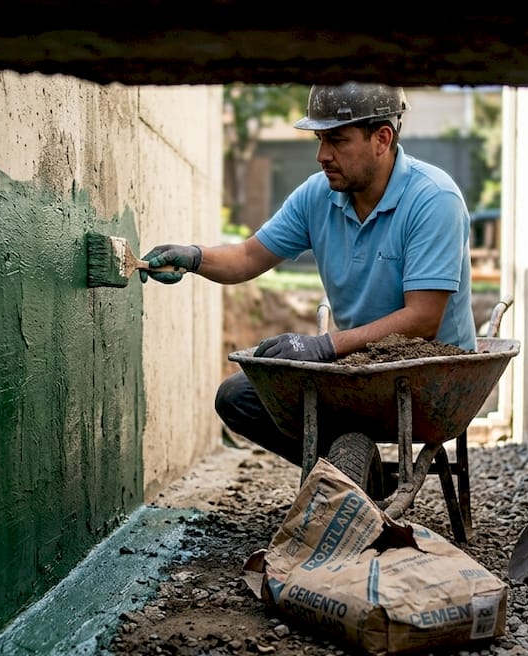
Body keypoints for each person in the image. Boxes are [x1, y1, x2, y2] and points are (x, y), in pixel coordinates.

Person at [141, 81, 475, 466]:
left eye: (337, 140)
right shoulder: (318, 196)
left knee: (323, 384)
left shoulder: (434, 199)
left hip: (430, 379)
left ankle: (348, 477)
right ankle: (352, 476)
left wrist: (325, 347)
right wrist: (194, 257)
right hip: (359, 367)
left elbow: (423, 319)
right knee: (237, 398)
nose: (322, 155)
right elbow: (249, 255)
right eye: (319, 139)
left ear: (382, 138)